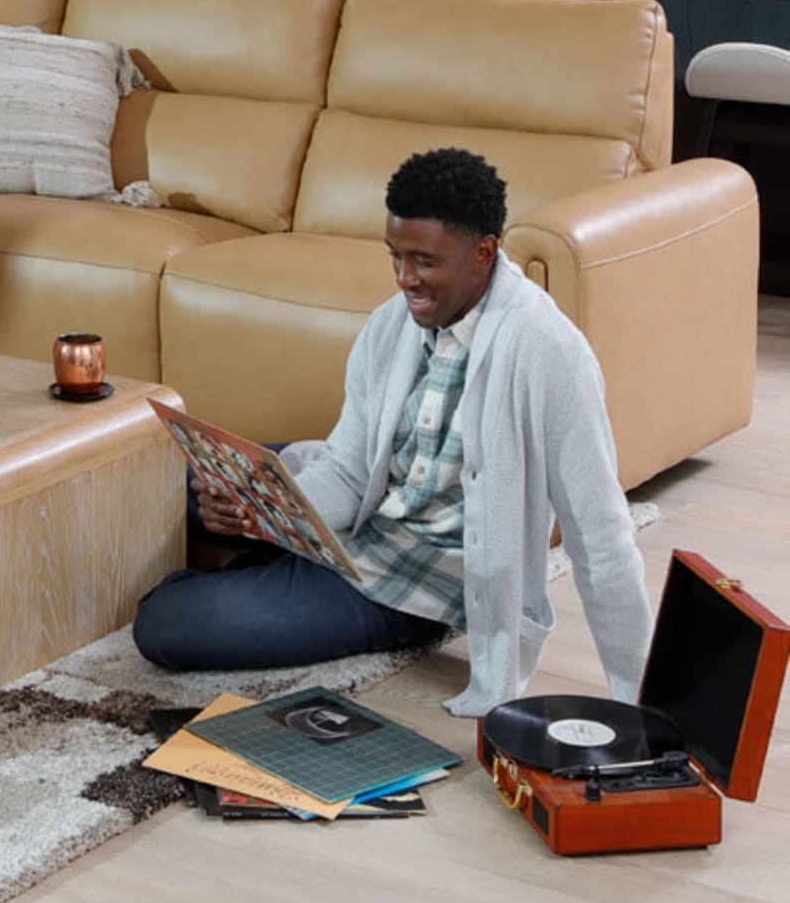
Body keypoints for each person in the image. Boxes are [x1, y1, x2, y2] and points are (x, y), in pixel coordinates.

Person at [133, 147, 653, 716]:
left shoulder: (550, 353)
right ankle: (257, 552)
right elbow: (349, 469)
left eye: (424, 262)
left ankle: (250, 565)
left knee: (165, 623)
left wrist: (637, 700)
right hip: (361, 519)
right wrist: (258, 510)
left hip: (405, 585)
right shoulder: (392, 323)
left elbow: (601, 538)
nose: (406, 279)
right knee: (178, 476)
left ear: (484, 253)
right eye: (395, 257)